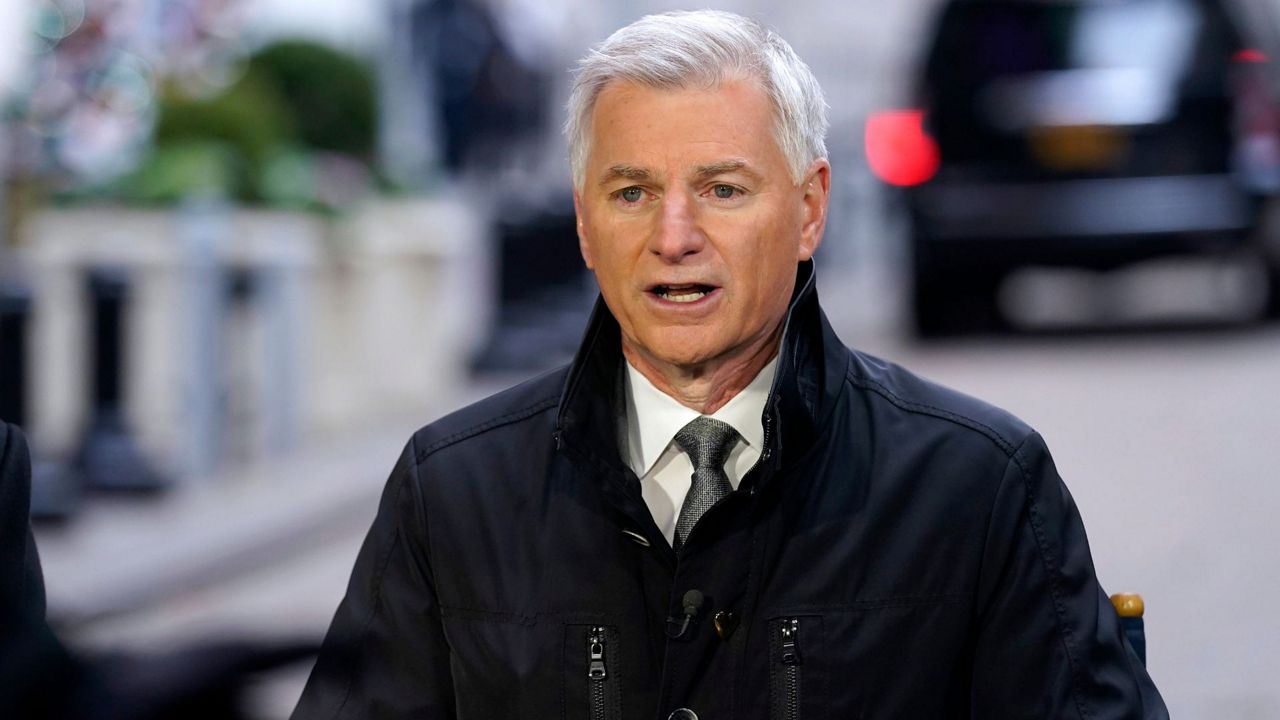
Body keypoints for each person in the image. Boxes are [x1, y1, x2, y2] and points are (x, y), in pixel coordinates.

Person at [293, 10, 1167, 719]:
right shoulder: (450, 493)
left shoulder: (978, 486)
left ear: (811, 208)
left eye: (722, 189)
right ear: (585, 226)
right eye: (632, 192)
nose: (674, 238)